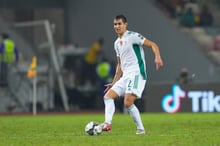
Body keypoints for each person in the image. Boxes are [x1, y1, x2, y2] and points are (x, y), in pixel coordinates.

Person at [100, 14, 164, 135]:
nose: (117, 26)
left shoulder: (133, 36)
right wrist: (114, 83)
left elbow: (153, 44)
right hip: (125, 76)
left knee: (128, 102)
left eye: (119, 24)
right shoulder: (116, 44)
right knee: (107, 97)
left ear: (125, 25)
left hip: (137, 74)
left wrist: (158, 57)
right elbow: (120, 65)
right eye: (115, 24)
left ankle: (141, 130)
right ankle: (107, 124)